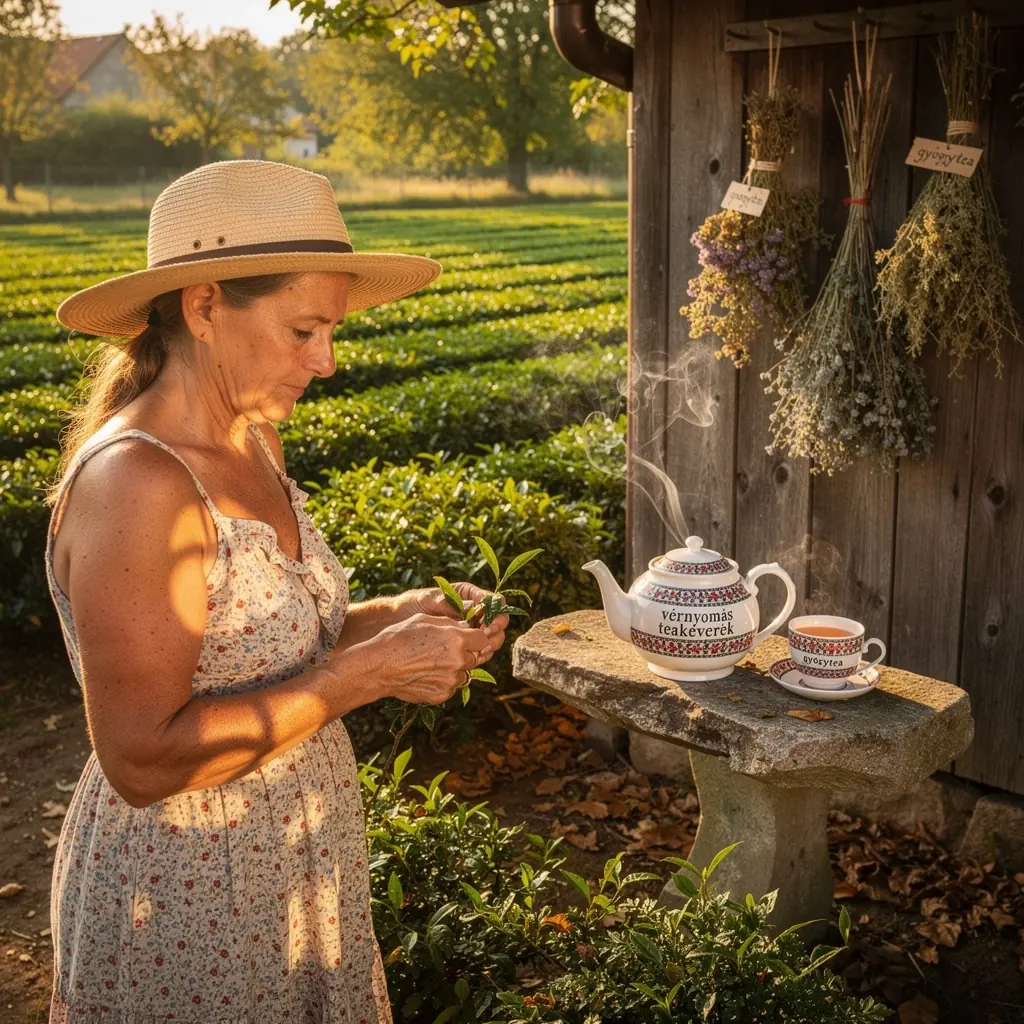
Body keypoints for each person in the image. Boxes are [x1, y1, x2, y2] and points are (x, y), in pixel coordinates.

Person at [44, 160, 509, 1022]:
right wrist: (371, 675)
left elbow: (268, 642)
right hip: (188, 889)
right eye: (304, 331)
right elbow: (142, 759)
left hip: (293, 859)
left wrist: (401, 616)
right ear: (205, 304)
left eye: (331, 330)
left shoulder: (253, 436)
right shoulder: (139, 485)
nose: (327, 362)